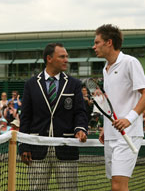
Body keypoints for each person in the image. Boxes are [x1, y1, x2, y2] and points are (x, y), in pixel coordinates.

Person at [19, 43, 88, 190]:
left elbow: (80, 112)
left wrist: (80, 128)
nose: (66, 60)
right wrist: (23, 144)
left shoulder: (74, 84)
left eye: (67, 57)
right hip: (37, 148)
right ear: (49, 58)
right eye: (62, 56)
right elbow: (25, 117)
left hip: (66, 147)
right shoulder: (31, 84)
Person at [93, 24, 145, 191]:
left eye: (97, 42)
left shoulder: (130, 62)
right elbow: (113, 102)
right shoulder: (106, 69)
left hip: (129, 134)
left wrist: (129, 119)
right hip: (111, 134)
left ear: (109, 42)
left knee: (118, 186)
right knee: (116, 186)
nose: (94, 46)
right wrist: (106, 127)